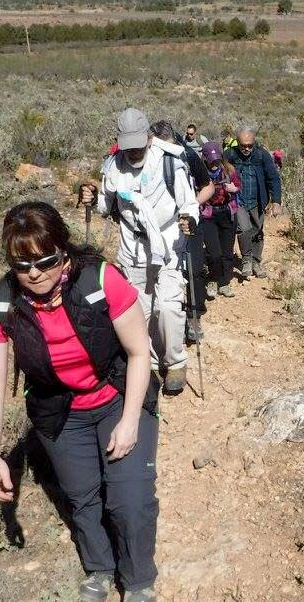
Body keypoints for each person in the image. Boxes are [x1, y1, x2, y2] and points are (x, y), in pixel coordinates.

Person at [0, 202, 160, 602]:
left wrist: (130, 420)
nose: (35, 272)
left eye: (45, 260)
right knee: (82, 496)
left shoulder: (99, 279)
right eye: (22, 264)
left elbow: (138, 353)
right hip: (58, 410)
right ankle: (99, 566)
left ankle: (137, 577)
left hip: (116, 393)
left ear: (64, 251)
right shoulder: (0, 303)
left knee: (129, 496)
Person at [81, 108, 198, 395]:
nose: (133, 152)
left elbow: (189, 203)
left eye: (138, 144)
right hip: (132, 248)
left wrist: (188, 219)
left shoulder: (170, 161)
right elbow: (106, 207)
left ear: (148, 136)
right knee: (139, 312)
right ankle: (146, 363)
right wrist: (91, 198)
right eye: (128, 146)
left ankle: (175, 362)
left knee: (168, 307)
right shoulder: (113, 167)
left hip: (169, 242)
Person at [149, 120, 214, 346]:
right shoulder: (148, 159)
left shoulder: (187, 155)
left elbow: (208, 187)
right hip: (161, 228)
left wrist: (189, 207)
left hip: (189, 222)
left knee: (194, 270)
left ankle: (194, 317)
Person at [224, 124, 282, 279]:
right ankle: (246, 260)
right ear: (237, 142)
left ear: (254, 142)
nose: (247, 149)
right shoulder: (230, 154)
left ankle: (256, 261)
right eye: (243, 146)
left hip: (258, 200)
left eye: (250, 146)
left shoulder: (262, 155)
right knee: (243, 229)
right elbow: (220, 172)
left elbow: (273, 179)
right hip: (239, 201)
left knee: (257, 231)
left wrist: (276, 201)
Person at [200, 142, 241, 299]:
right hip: (209, 215)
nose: (214, 163)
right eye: (211, 160)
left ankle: (224, 283)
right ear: (205, 159)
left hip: (227, 213)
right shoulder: (200, 173)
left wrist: (234, 188)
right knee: (214, 252)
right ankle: (213, 279)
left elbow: (238, 185)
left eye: (217, 160)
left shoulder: (229, 170)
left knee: (227, 251)